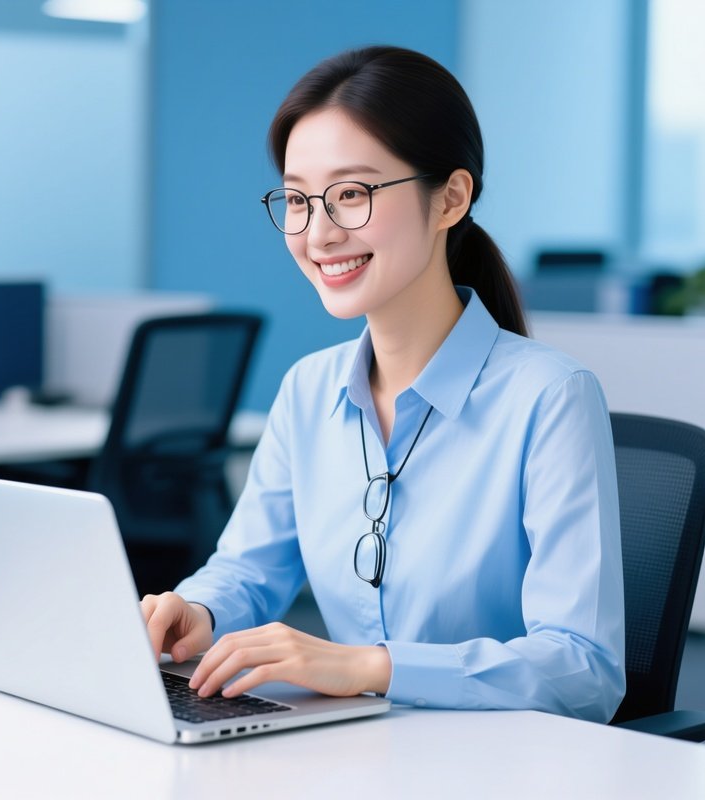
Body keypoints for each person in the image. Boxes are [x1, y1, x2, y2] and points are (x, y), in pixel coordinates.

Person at [141, 45, 625, 722]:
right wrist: (197, 610)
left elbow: (583, 669)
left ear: (450, 198)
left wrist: (371, 666)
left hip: (497, 768)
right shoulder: (309, 391)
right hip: (359, 753)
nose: (318, 233)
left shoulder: (548, 398)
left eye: (351, 194)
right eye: (299, 200)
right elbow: (249, 570)